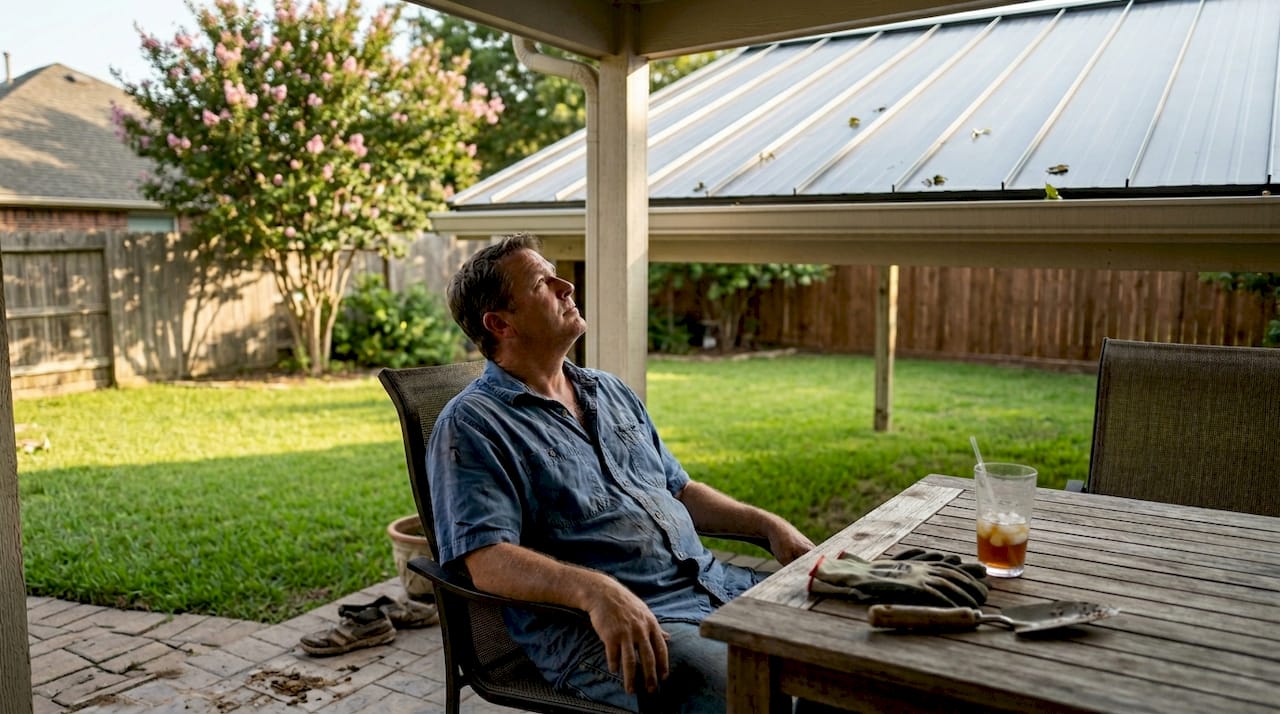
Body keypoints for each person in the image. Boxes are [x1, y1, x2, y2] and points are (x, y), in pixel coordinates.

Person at [427, 233, 816, 712]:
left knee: (846, 658)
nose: (567, 286)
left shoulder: (607, 390)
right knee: (769, 696)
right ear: (500, 323)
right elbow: (487, 559)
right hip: (620, 629)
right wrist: (595, 591)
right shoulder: (472, 425)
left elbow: (679, 490)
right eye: (543, 283)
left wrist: (768, 525)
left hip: (714, 585)